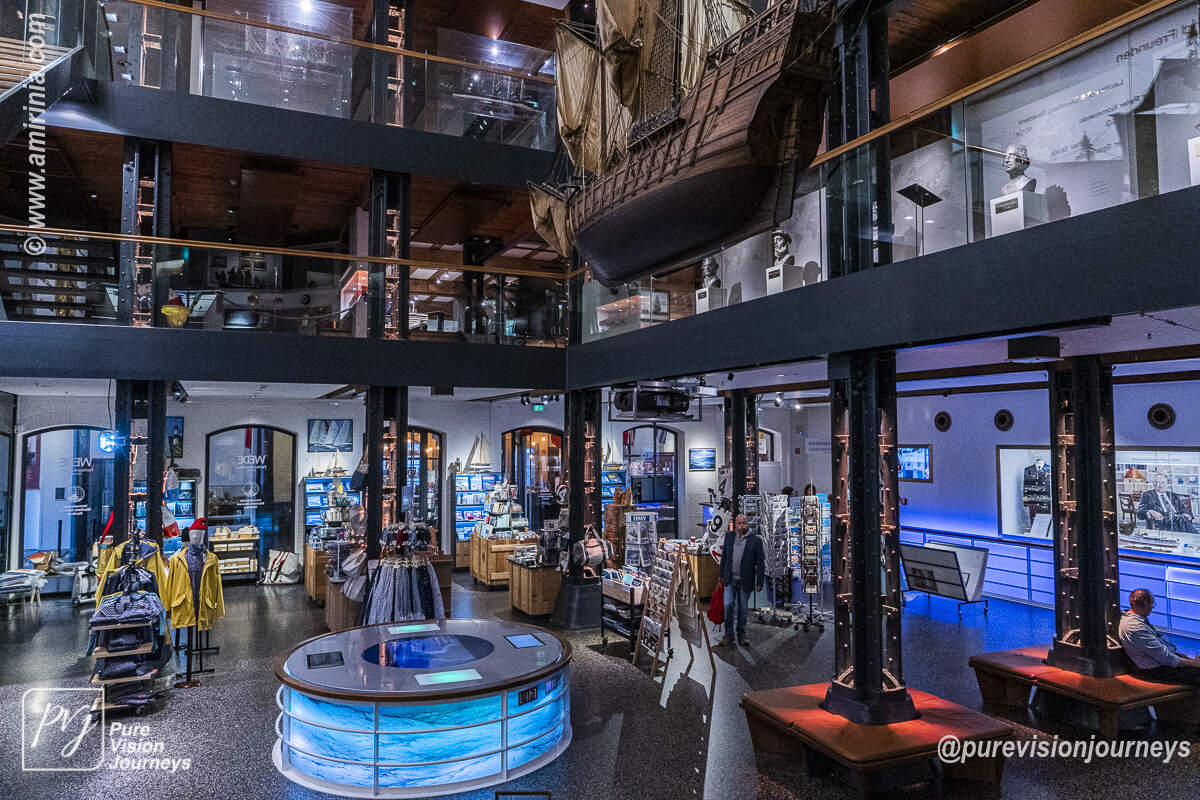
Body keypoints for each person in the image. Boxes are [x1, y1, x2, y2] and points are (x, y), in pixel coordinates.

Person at [1119, 588, 1200, 686]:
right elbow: (1165, 658)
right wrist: (1193, 663)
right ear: (1144, 604)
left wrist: (1185, 658)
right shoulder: (1135, 627)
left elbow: (1162, 648)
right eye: (1151, 604)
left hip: (1161, 663)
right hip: (1155, 670)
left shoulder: (1135, 619)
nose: (1152, 608)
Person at [718, 514, 764, 647]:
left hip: (745, 580)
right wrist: (721, 574)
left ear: (747, 524)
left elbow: (760, 562)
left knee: (743, 609)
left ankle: (741, 634)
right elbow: (724, 556)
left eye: (744, 523)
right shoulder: (729, 537)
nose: (742, 525)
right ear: (735, 525)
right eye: (739, 523)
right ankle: (728, 634)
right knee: (728, 605)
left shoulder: (755, 540)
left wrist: (760, 581)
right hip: (730, 579)